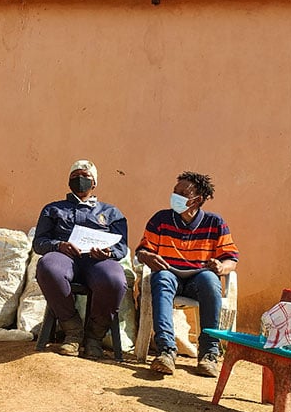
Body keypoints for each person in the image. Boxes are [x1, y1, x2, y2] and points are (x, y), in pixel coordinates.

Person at [135, 171, 239, 377]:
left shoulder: (215, 223)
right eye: (175, 192)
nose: (176, 197)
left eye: (182, 193)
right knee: (162, 278)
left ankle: (208, 353)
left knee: (210, 279)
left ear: (197, 200)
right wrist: (148, 257)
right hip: (169, 274)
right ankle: (166, 350)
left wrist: (221, 267)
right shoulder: (160, 219)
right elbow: (141, 251)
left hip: (198, 278)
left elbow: (231, 259)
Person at [33, 160, 129, 359]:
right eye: (75, 176)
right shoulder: (53, 209)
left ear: (94, 183)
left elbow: (121, 247)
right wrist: (59, 245)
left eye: (85, 177)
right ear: (68, 181)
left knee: (115, 280)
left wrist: (108, 253)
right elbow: (39, 242)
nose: (80, 180)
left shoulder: (112, 213)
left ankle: (94, 336)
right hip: (64, 257)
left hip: (98, 261)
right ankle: (73, 330)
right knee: (48, 267)